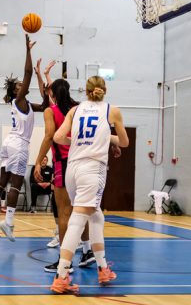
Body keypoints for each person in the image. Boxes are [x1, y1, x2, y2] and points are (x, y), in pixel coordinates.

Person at [50, 76, 128, 294]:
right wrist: (107, 139)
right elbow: (124, 142)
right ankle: (62, 275)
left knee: (96, 216)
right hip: (92, 170)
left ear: (85, 91)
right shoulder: (112, 110)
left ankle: (103, 268)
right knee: (77, 220)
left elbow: (58, 137)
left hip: (72, 170)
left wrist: (76, 142)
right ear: (104, 90)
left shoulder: (75, 110)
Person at [0, 34, 39, 241]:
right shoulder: (20, 99)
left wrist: (41, 75)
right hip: (19, 144)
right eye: (19, 85)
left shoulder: (27, 104)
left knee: (3, 180)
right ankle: (9, 221)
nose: (23, 84)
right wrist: (28, 50)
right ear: (16, 91)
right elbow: (27, 72)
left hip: (9, 142)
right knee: (15, 184)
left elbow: (48, 105)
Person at [34, 79, 95, 273]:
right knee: (82, 211)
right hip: (85, 163)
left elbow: (49, 135)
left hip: (64, 164)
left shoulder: (50, 111)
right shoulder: (79, 108)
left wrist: (38, 160)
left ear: (51, 92)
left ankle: (64, 261)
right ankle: (87, 252)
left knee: (64, 214)